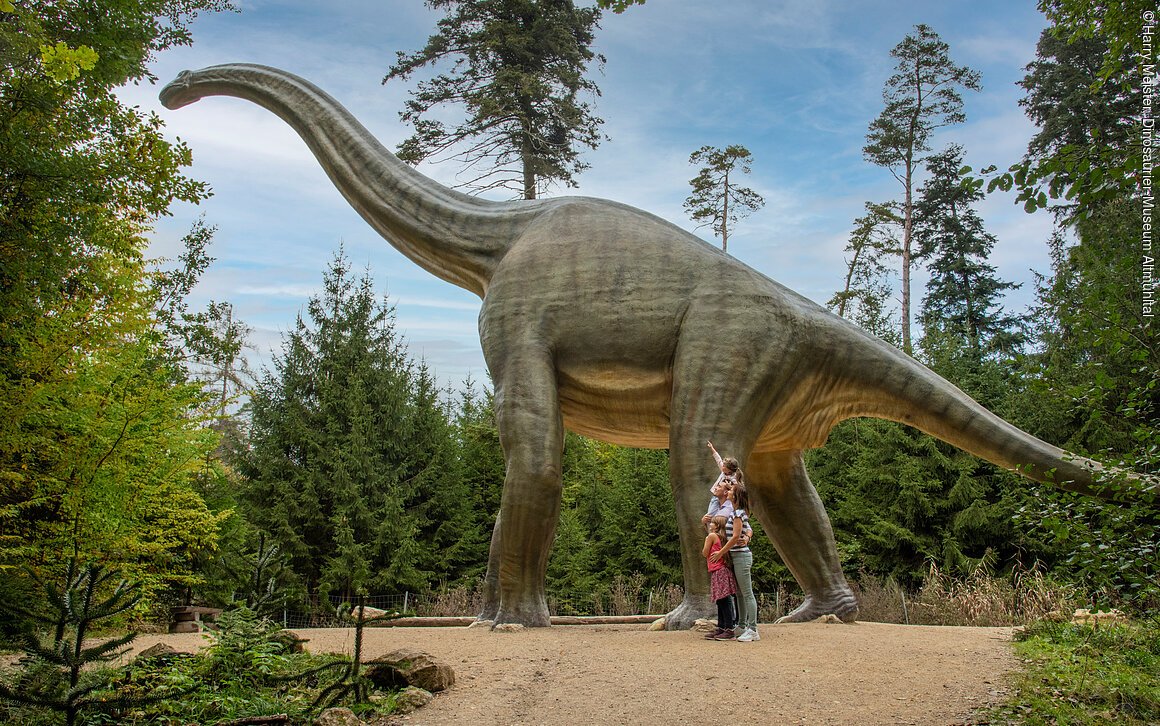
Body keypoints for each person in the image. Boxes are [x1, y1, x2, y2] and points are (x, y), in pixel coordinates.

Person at [710, 481, 759, 642]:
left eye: (731, 490)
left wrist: (721, 552)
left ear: (736, 495)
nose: (729, 491)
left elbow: (736, 536)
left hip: (741, 556)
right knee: (739, 594)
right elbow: (743, 531)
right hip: (736, 557)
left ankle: (753, 629)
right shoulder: (735, 512)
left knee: (747, 593)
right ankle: (742, 624)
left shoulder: (738, 514)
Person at [701, 516, 738, 640]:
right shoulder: (723, 538)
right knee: (721, 600)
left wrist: (707, 539)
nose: (710, 524)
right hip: (723, 569)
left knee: (722, 600)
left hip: (718, 570)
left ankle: (728, 628)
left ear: (716, 526)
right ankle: (722, 627)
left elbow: (705, 553)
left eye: (712, 523)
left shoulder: (711, 536)